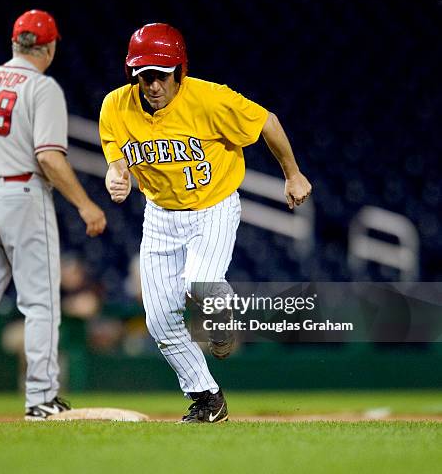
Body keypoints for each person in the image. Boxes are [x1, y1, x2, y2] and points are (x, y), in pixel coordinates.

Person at [99, 23, 312, 423]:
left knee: (200, 284)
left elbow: (267, 122)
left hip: (212, 208)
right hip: (160, 215)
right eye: (144, 75)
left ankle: (221, 311)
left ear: (179, 70)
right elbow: (116, 153)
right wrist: (117, 173)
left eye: (161, 74)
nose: (153, 84)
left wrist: (292, 173)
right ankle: (207, 398)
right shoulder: (115, 105)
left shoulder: (211, 99)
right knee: (159, 318)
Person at [0, 9, 106, 424]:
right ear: (48, 48)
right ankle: (42, 398)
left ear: (16, 44)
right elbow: (48, 156)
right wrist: (85, 204)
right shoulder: (42, 87)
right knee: (41, 303)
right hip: (20, 192)